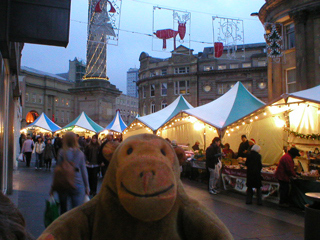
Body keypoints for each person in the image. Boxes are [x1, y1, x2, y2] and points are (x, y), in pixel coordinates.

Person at [52, 132, 90, 214]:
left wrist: (53, 186)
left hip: (63, 182)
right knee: (75, 210)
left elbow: (58, 168)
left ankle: (63, 224)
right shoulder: (80, 153)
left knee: (63, 209)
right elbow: (84, 171)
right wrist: (87, 186)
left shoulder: (62, 152)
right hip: (77, 182)